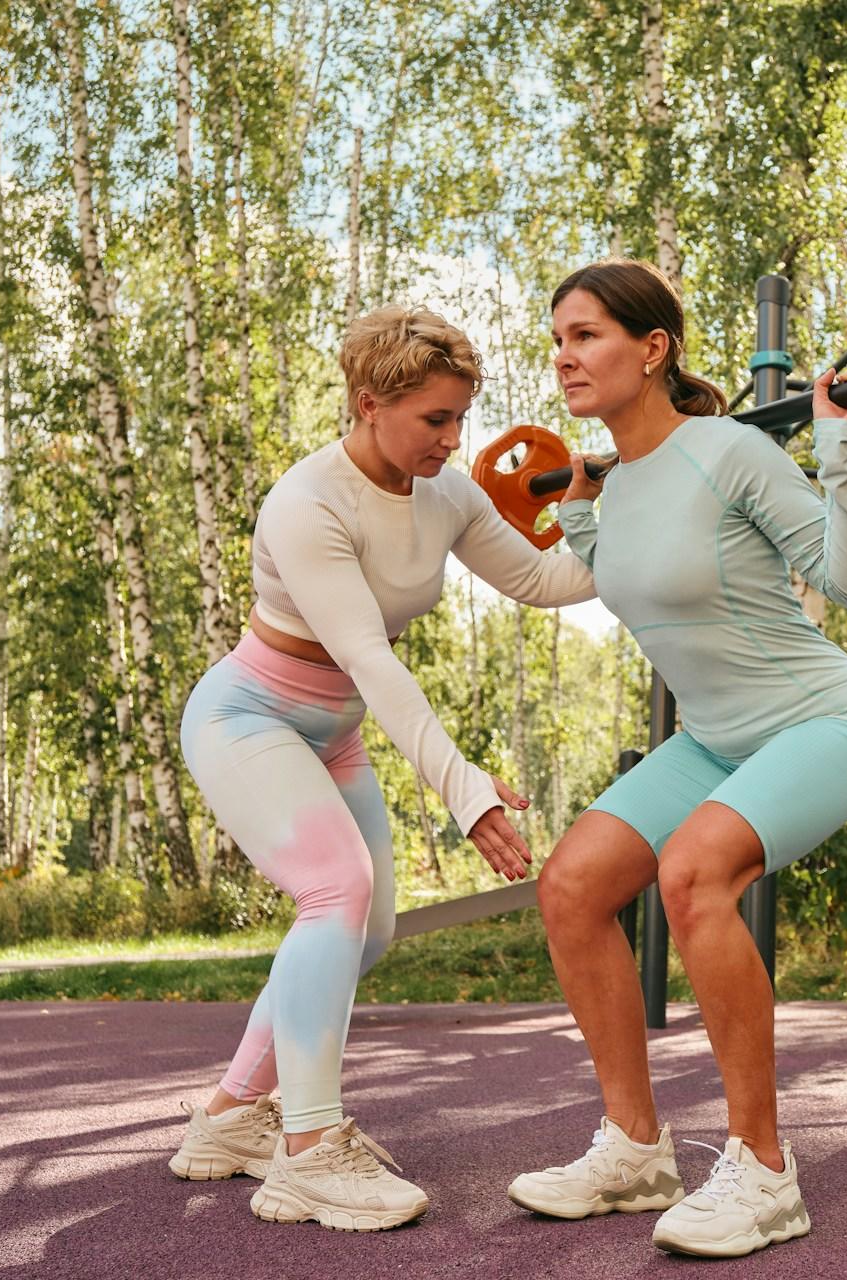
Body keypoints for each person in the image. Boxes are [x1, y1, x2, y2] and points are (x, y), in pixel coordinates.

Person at [169, 305, 595, 1231]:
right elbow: (370, 656)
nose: (454, 440)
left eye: (460, 419)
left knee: (366, 931)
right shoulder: (307, 502)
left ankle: (231, 1115)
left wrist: (615, 510)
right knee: (336, 891)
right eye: (435, 420)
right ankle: (310, 1151)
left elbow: (544, 580)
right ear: (370, 404)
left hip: (334, 730)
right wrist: (463, 788)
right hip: (248, 713)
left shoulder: (445, 491)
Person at [506, 259, 847, 1258]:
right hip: (715, 739)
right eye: (558, 338)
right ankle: (636, 1148)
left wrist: (841, 450)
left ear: (653, 348)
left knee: (691, 872)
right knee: (571, 885)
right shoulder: (618, 483)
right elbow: (614, 575)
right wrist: (584, 503)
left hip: (820, 719)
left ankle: (763, 1169)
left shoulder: (729, 450)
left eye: (587, 334)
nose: (565, 356)